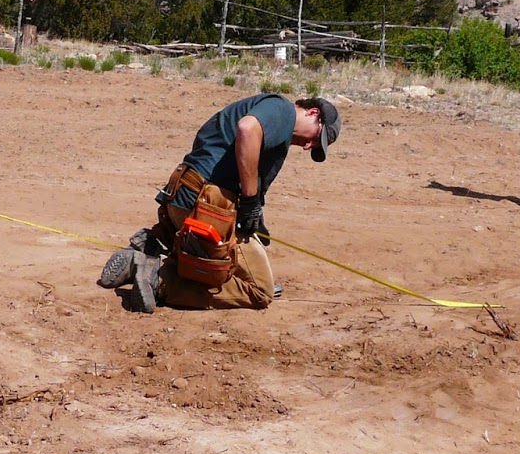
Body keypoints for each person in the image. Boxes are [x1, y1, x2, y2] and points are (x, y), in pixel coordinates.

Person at [98, 94, 340, 313]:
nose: (308, 146)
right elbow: (247, 130)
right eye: (317, 139)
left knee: (230, 264)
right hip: (205, 208)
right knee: (260, 290)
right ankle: (159, 279)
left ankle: (155, 244)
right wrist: (249, 200)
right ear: (313, 113)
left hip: (182, 198)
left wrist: (253, 212)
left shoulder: (267, 113)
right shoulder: (283, 110)